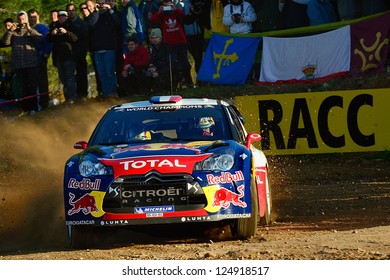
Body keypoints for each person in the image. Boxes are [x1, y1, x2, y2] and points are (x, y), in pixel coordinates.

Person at [2, 11, 42, 115]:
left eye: (23, 19)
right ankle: (26, 110)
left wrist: (29, 28)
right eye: (19, 19)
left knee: (32, 88)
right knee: (23, 89)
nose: (21, 21)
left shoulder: (31, 30)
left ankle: (34, 109)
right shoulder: (13, 32)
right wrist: (11, 30)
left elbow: (40, 38)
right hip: (19, 65)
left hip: (31, 64)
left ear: (27, 19)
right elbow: (5, 42)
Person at [150, 0, 194, 88]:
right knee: (173, 64)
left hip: (181, 41)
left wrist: (175, 10)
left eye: (169, 6)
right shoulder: (162, 15)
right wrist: (159, 12)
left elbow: (185, 19)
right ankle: (176, 84)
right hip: (169, 43)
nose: (167, 8)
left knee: (185, 63)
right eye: (165, 6)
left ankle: (189, 82)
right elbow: (152, 21)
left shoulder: (176, 13)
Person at [85, 0, 120, 99]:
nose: (101, 6)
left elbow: (117, 22)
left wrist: (109, 9)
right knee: (101, 73)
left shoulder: (110, 14)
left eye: (102, 3)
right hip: (97, 49)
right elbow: (90, 24)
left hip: (109, 48)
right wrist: (96, 11)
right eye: (98, 4)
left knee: (109, 72)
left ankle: (112, 93)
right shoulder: (94, 15)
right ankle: (105, 93)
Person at [46, 10, 79, 104]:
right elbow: (48, 39)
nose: (61, 18)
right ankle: (67, 97)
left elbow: (75, 38)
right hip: (59, 57)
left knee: (70, 78)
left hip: (69, 56)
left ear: (66, 17)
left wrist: (66, 32)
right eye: (60, 16)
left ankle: (72, 98)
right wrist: (52, 33)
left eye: (63, 16)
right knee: (63, 79)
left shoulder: (71, 25)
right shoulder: (53, 26)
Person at [27, 9, 52, 110]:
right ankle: (36, 105)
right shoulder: (29, 28)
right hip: (31, 59)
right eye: (31, 17)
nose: (32, 18)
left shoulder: (42, 27)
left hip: (40, 58)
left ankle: (44, 103)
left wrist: (45, 54)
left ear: (38, 16)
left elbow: (49, 42)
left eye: (34, 16)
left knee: (42, 82)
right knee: (33, 83)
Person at [66, 3, 89, 100]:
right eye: (69, 10)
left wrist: (83, 51)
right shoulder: (65, 24)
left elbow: (85, 38)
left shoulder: (81, 23)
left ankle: (83, 94)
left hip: (80, 52)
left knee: (82, 74)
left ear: (75, 11)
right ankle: (71, 96)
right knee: (70, 76)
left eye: (73, 10)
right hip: (69, 53)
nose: (71, 12)